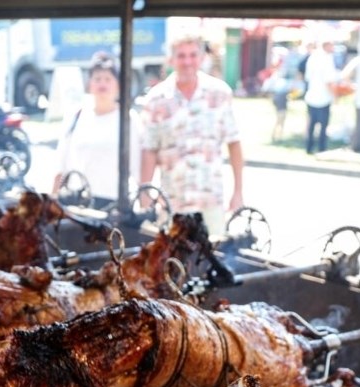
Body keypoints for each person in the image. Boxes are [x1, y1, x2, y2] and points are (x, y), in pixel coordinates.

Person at [140, 34, 243, 236]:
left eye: (192, 55)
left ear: (202, 57)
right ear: (171, 60)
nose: (187, 62)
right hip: (172, 203)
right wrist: (145, 193)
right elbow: (149, 150)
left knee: (214, 259)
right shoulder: (156, 99)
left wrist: (238, 191)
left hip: (210, 201)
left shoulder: (219, 93)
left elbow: (234, 143)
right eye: (181, 56)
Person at [51, 53, 142, 209]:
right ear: (90, 84)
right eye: (97, 79)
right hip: (77, 202)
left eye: (108, 79)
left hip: (113, 205)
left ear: (118, 85)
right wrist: (51, 201)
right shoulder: (76, 116)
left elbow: (138, 168)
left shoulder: (128, 120)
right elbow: (61, 166)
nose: (102, 84)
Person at [303, 40, 338, 155]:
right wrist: (335, 95)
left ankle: (309, 147)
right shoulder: (327, 59)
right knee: (323, 126)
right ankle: (322, 149)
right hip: (323, 97)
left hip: (311, 96)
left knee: (311, 124)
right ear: (327, 45)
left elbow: (307, 77)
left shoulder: (312, 57)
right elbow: (329, 81)